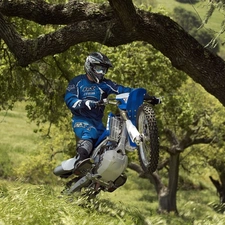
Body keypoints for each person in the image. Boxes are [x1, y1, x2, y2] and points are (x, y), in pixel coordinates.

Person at [55, 52, 160, 178]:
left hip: (98, 122)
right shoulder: (77, 82)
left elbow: (121, 89)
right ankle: (80, 163)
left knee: (110, 141)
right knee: (90, 133)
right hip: (82, 120)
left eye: (103, 70)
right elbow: (70, 99)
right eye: (99, 68)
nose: (101, 73)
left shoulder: (105, 83)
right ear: (90, 66)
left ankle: (107, 172)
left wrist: (145, 96)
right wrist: (85, 103)